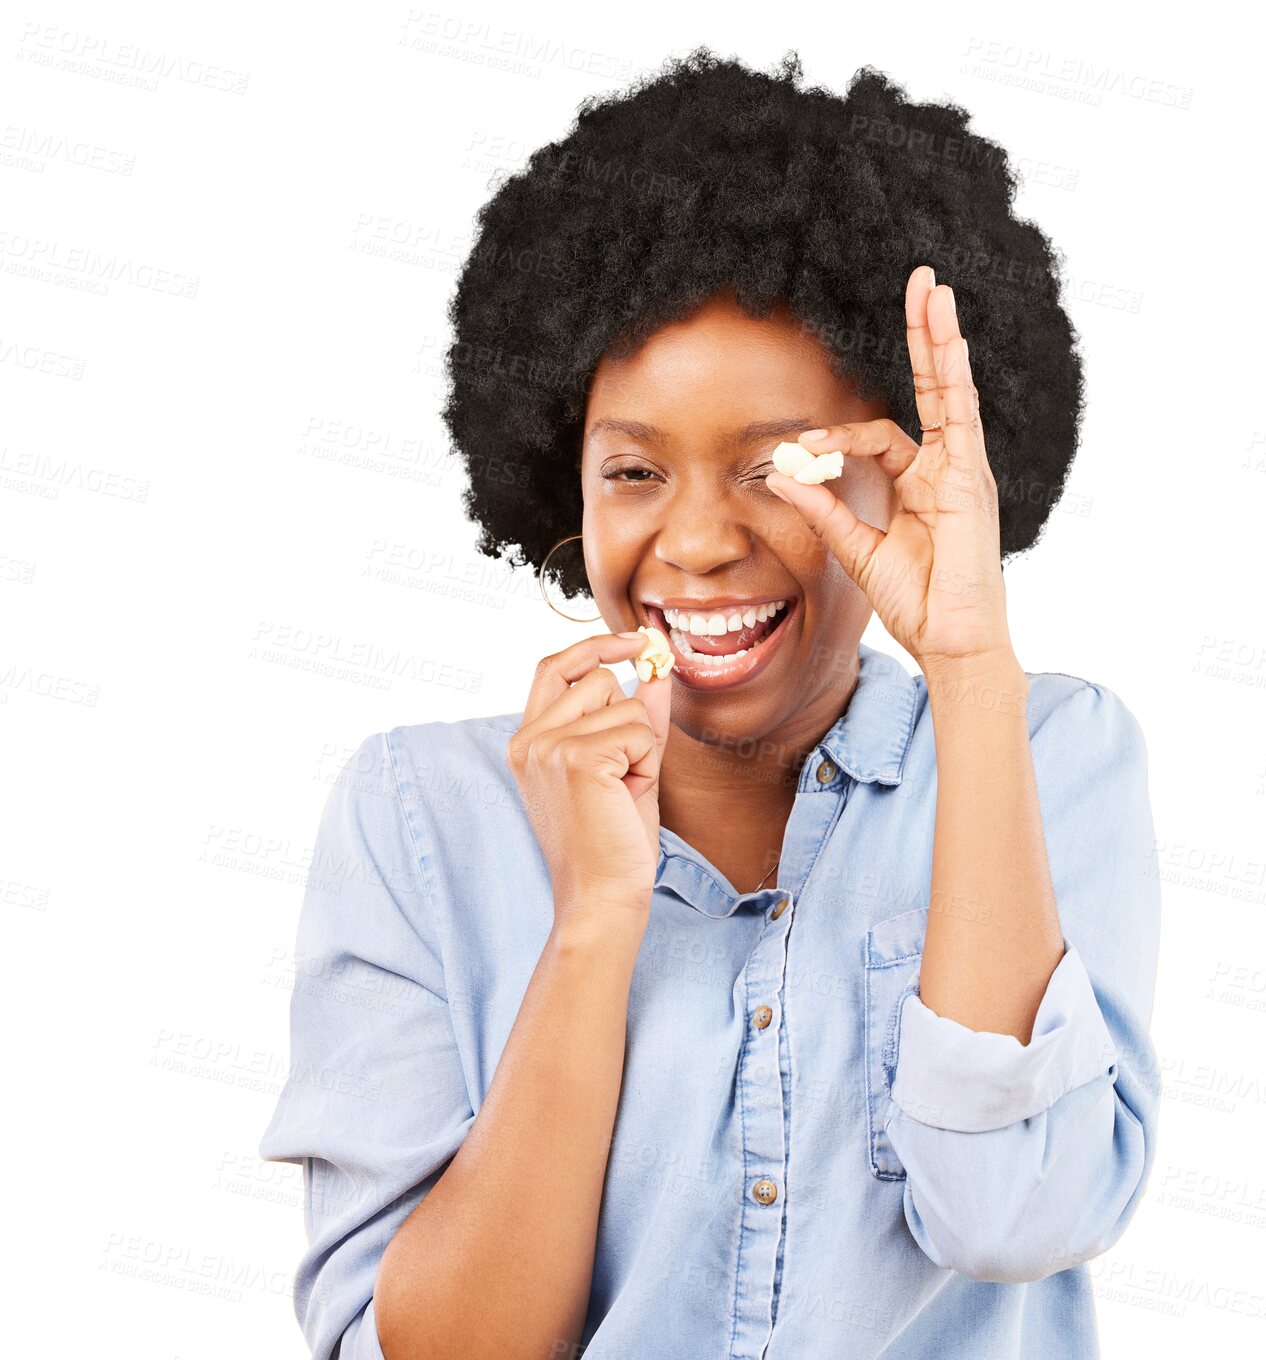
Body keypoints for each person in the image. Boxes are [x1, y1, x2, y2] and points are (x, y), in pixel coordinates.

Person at [259, 47, 1162, 1360]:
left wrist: (968, 670)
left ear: (902, 477)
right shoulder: (422, 815)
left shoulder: (1041, 750)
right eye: (633, 470)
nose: (692, 543)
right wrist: (594, 925)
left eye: (781, 468)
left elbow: (1017, 1218)